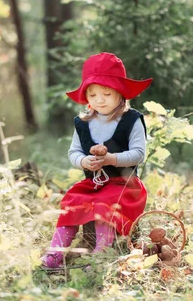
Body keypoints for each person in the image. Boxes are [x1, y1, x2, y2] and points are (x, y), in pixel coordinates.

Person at [41, 52, 153, 269]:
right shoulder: (83, 122)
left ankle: (100, 255)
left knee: (104, 206)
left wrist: (111, 158)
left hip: (123, 185)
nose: (99, 100)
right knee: (71, 203)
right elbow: (74, 152)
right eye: (92, 95)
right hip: (93, 184)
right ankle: (56, 253)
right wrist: (84, 162)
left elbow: (139, 153)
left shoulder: (131, 120)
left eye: (106, 93)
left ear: (120, 93)